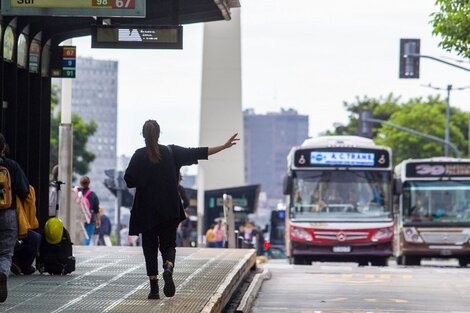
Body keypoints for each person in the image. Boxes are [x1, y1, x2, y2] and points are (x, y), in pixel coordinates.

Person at [124, 119, 238, 300]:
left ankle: (154, 290)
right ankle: (168, 267)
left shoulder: (138, 155)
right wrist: (223, 146)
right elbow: (198, 152)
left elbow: (129, 180)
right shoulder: (171, 152)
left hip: (146, 210)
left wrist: (145, 179)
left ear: (143, 135)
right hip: (169, 209)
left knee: (150, 247)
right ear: (159, 134)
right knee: (168, 244)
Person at [0, 133, 29, 302]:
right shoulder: (12, 166)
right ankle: (2, 274)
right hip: (8, 214)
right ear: (3, 147)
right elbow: (24, 191)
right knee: (5, 253)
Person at [76, 176, 101, 245]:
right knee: (87, 238)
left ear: (80, 183)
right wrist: (98, 220)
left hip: (77, 218)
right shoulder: (93, 195)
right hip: (89, 219)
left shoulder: (76, 192)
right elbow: (96, 210)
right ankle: (84, 246)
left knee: (77, 237)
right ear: (89, 183)